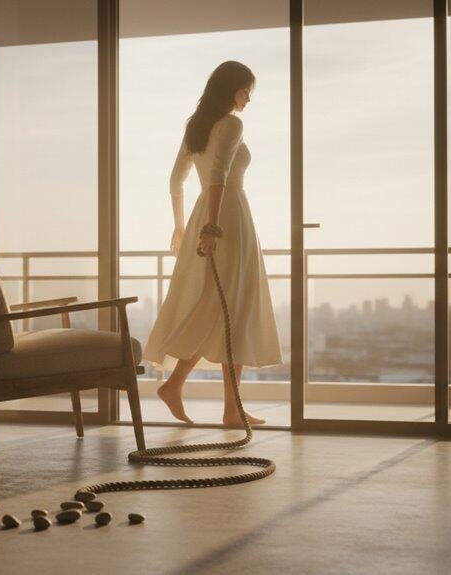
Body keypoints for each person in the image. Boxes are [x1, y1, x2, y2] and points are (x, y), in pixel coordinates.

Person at [142, 61, 282, 427]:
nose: (249, 98)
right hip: (227, 218)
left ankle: (192, 392)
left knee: (218, 308)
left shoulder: (198, 126)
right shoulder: (232, 124)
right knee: (235, 310)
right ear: (232, 89)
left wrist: (180, 227)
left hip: (205, 215)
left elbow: (176, 180)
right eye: (246, 90)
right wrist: (213, 228)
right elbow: (219, 175)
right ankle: (225, 407)